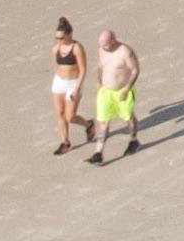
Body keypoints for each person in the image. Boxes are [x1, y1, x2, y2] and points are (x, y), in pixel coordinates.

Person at [86, 28, 143, 163]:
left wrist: (127, 89)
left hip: (122, 90)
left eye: (106, 45)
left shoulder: (125, 51)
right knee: (103, 121)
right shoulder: (102, 50)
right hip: (106, 92)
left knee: (129, 117)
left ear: (113, 40)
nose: (104, 48)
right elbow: (100, 66)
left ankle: (134, 140)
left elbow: (135, 70)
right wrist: (98, 81)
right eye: (102, 45)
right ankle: (98, 152)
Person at [48, 18, 88, 155]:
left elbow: (83, 69)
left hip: (73, 83)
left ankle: (88, 125)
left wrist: (77, 89)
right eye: (56, 38)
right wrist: (59, 77)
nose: (58, 40)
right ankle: (65, 142)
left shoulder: (77, 48)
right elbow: (56, 66)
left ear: (69, 35)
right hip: (59, 83)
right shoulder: (55, 49)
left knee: (70, 116)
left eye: (61, 37)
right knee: (60, 113)